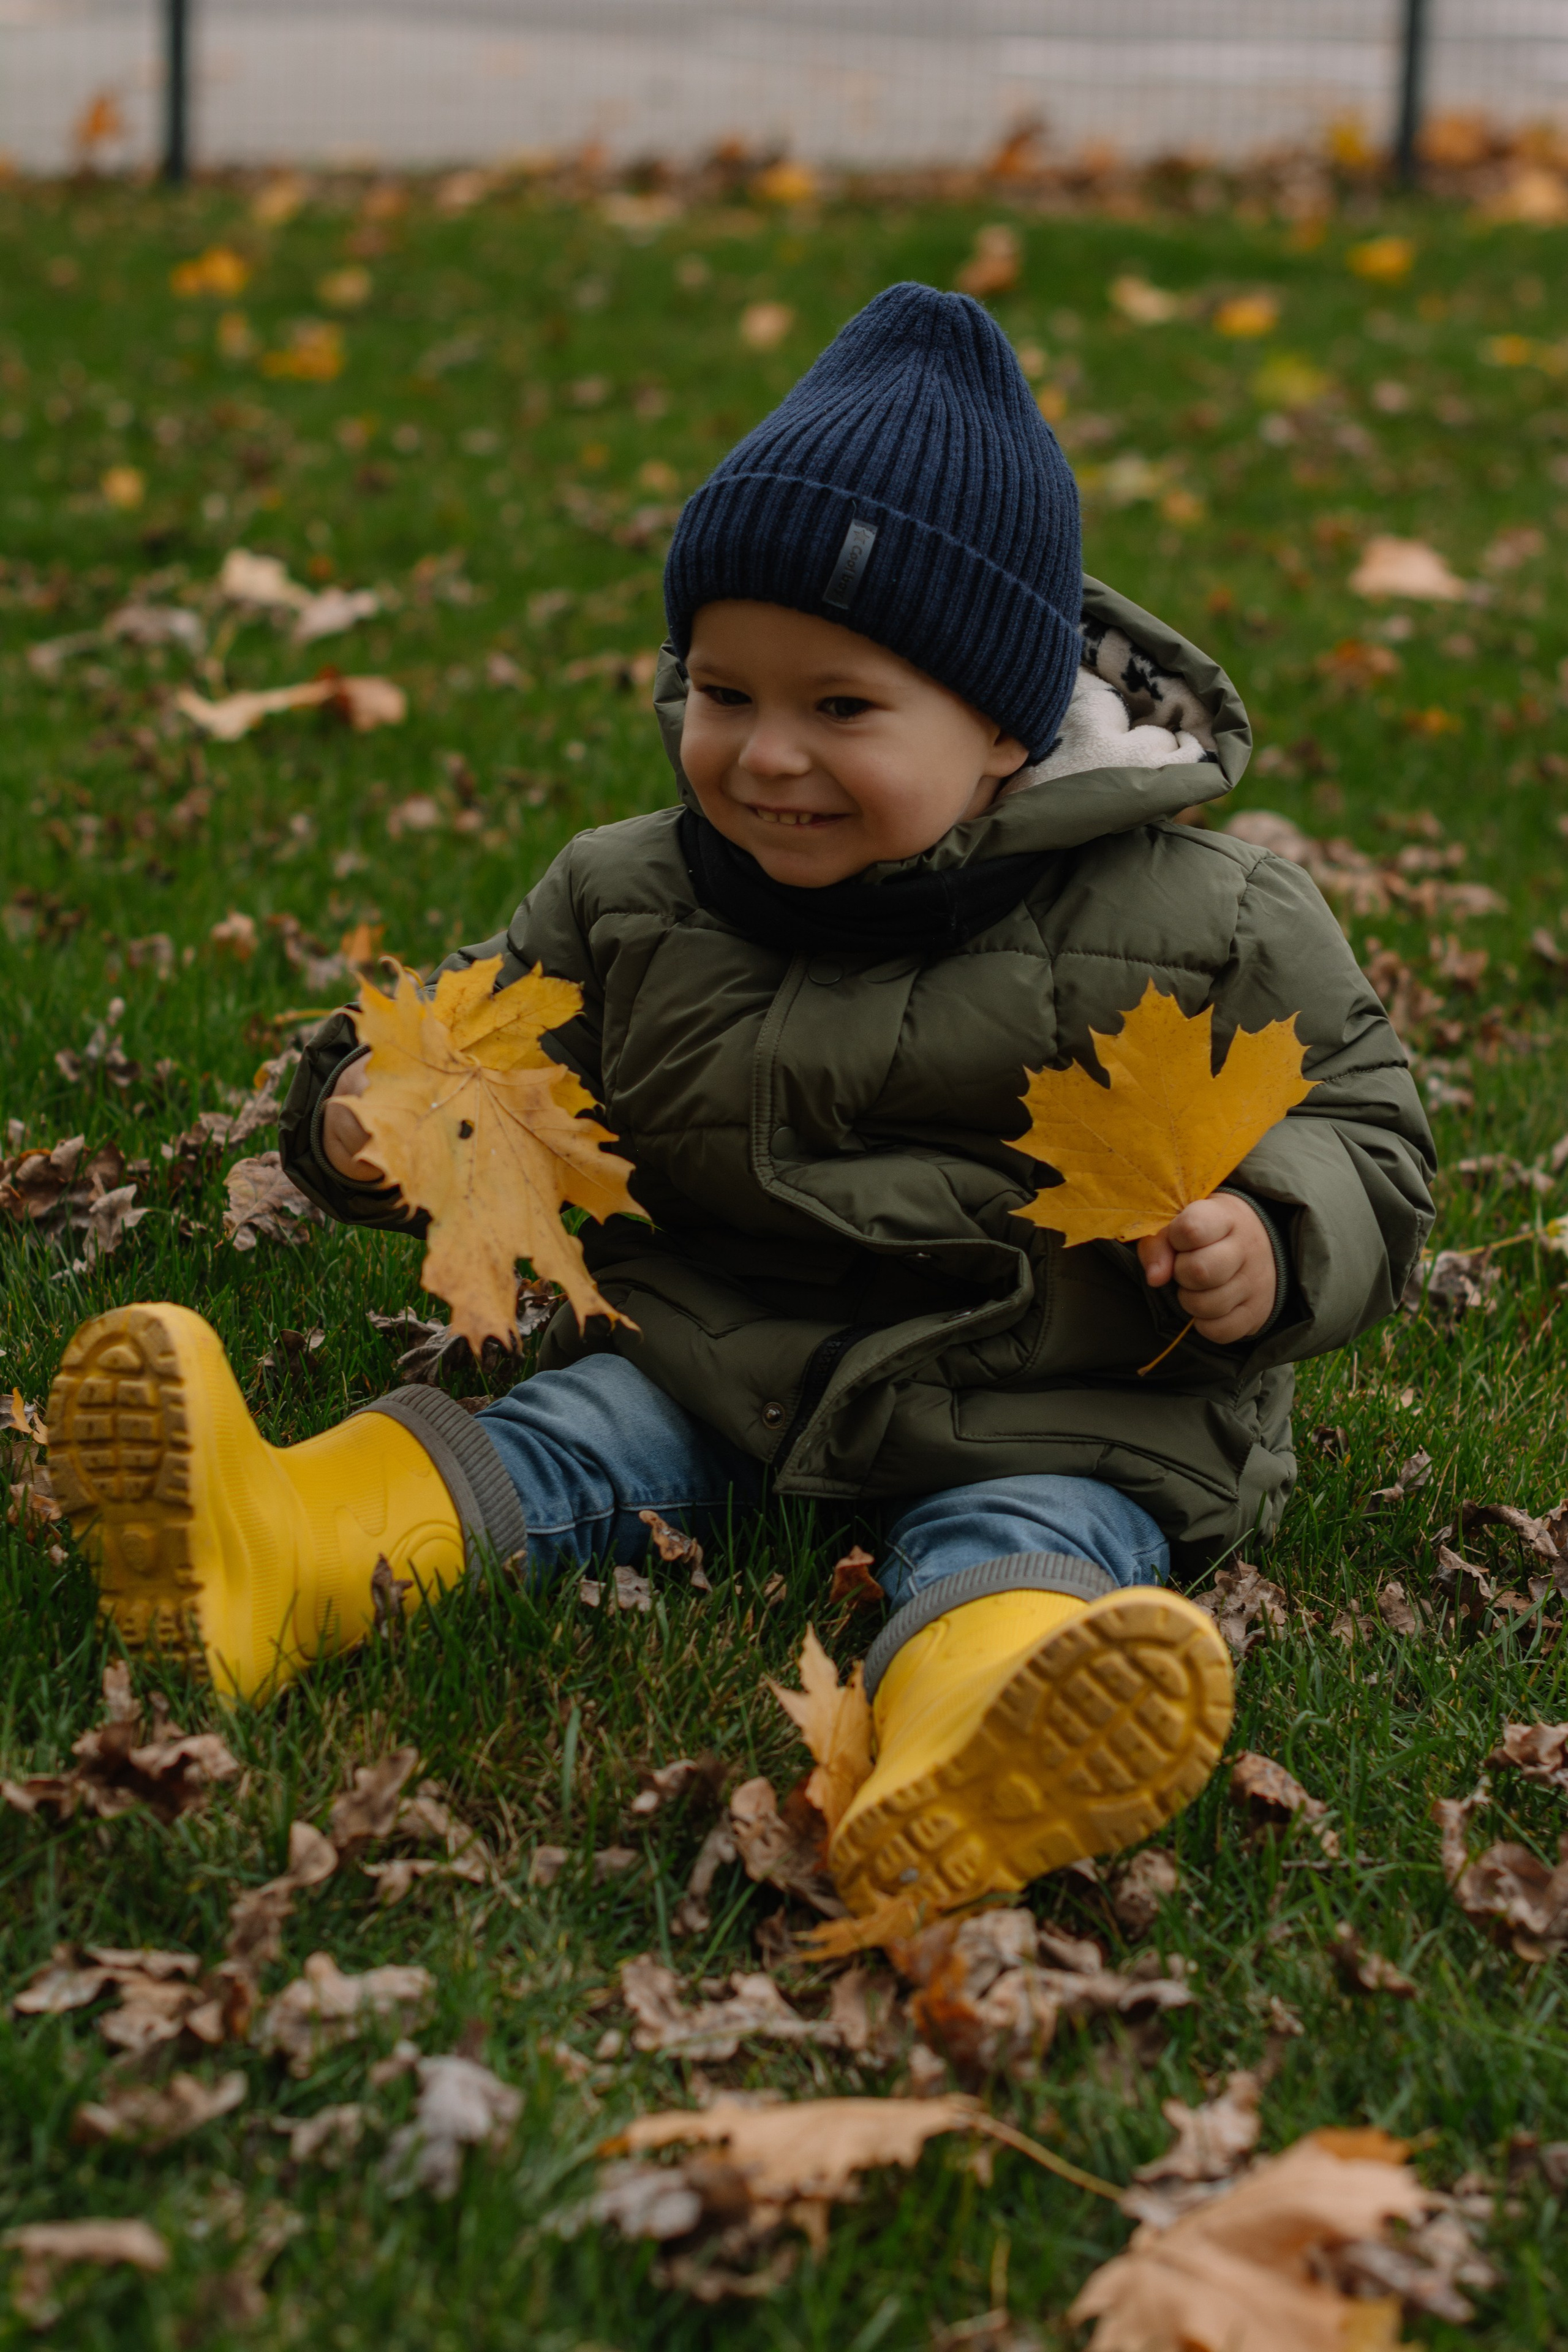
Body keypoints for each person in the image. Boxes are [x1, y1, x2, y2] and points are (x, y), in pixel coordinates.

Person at [48, 284, 1433, 1923]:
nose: (766, 756)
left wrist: (1273, 1233)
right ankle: (274, 1550)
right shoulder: (625, 897)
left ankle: (971, 1753)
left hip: (1056, 1395)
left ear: (1003, 724)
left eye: (842, 709)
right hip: (711, 1357)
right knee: (552, 1443)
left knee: (1027, 1546)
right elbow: (474, 1055)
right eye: (723, 694)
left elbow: (1368, 1133)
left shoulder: (1217, 924)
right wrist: (375, 1117)